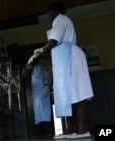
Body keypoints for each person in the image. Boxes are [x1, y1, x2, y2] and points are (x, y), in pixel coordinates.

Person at [33, 2, 94, 139]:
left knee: (79, 94)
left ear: (53, 12)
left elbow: (54, 40)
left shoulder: (60, 19)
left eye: (49, 14)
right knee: (69, 96)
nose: (49, 17)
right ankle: (69, 131)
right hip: (64, 59)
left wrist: (42, 49)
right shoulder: (64, 21)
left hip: (70, 58)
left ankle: (83, 129)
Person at [22, 52, 53, 137]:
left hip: (43, 89)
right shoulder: (32, 65)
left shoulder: (44, 62)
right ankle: (41, 132)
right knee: (38, 111)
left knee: (45, 110)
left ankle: (48, 131)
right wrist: (29, 64)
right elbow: (24, 74)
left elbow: (48, 73)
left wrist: (47, 85)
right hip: (35, 91)